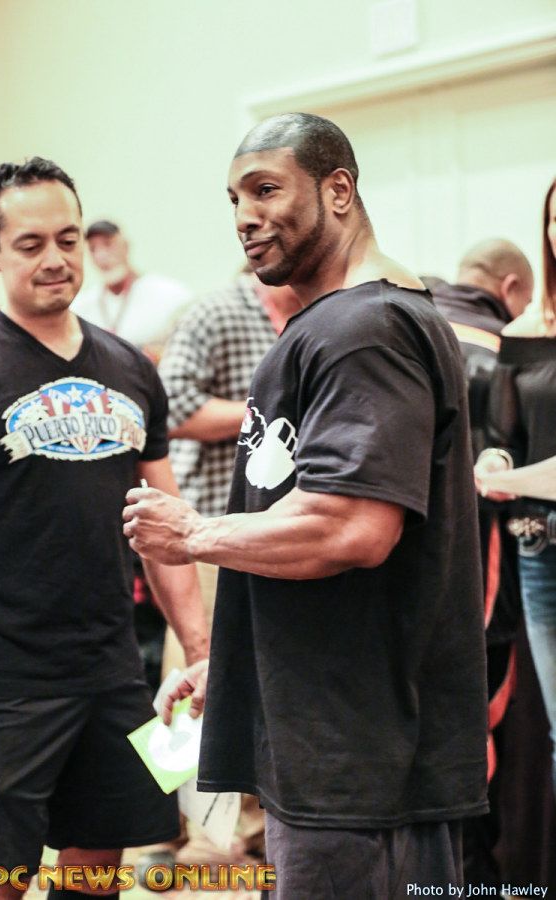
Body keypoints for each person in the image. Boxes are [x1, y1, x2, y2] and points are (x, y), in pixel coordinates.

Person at [123, 113, 489, 898]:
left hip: (359, 762)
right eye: (234, 199)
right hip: (331, 737)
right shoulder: (342, 323)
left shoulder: (366, 329)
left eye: (266, 190)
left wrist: (193, 532)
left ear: (339, 190)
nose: (245, 216)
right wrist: (241, 663)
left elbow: (351, 527)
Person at [0, 157, 208, 895]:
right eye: (30, 243)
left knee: (99, 875)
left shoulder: (130, 367)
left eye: (67, 239)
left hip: (112, 670)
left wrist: (200, 653)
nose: (55, 258)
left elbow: (165, 531)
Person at [134, 273, 300, 874]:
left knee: (251, 682)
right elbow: (170, 407)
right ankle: (170, 832)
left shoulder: (312, 318)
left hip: (273, 535)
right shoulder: (214, 313)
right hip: (203, 528)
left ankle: (244, 832)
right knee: (189, 678)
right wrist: (268, 414)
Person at [426, 238, 533, 887]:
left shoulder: (404, 326)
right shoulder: (507, 351)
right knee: (479, 725)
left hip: (390, 574)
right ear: (512, 287)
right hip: (479, 576)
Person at [476, 177, 556, 798]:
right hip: (538, 544)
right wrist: (493, 463)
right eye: (554, 218)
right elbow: (504, 434)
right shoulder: (525, 331)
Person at [73, 219, 190, 360]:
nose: (101, 255)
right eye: (93, 249)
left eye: (108, 244)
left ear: (126, 246)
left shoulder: (170, 295)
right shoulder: (81, 308)